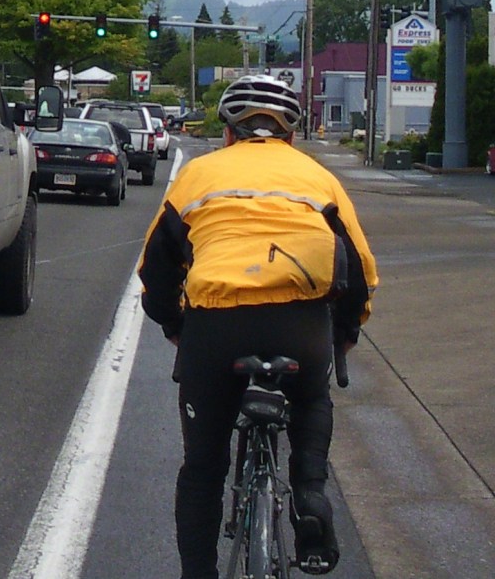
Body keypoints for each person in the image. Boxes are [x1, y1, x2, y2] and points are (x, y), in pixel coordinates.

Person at [137, 75, 378, 578]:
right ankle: (310, 494)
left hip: (216, 328)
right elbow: (359, 269)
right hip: (299, 327)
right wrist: (347, 332)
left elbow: (155, 267)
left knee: (203, 471)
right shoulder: (319, 178)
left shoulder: (198, 176)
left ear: (226, 132)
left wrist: (173, 324)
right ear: (291, 135)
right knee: (312, 395)